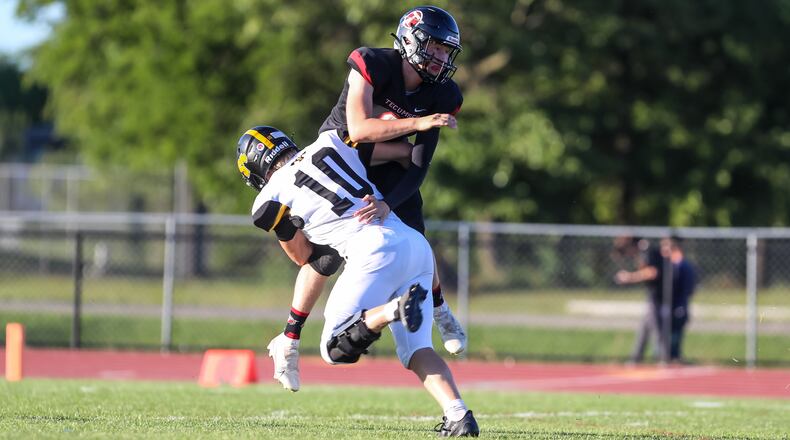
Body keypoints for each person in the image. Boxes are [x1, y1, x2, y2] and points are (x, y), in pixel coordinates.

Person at [266, 5, 468, 394]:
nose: (441, 57)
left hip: (387, 167)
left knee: (415, 239)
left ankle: (440, 309)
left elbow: (419, 164)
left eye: (446, 51)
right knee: (322, 258)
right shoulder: (372, 63)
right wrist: (416, 124)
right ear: (409, 40)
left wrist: (389, 201)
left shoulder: (442, 93)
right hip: (340, 159)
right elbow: (357, 130)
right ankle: (289, 340)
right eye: (435, 47)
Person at [237, 125, 479, 436]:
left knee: (333, 349)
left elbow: (303, 256)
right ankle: (458, 415)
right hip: (415, 245)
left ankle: (393, 309)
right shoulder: (330, 139)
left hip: (371, 252)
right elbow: (384, 151)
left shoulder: (268, 198)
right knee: (416, 349)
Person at [614, 236, 665, 364]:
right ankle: (636, 357)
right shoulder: (643, 251)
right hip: (653, 293)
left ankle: (661, 356)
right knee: (645, 326)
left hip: (659, 294)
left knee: (655, 326)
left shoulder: (645, 250)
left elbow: (652, 272)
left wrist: (630, 277)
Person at [664, 236, 696, 363]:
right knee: (671, 332)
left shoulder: (681, 266)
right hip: (676, 303)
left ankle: (673, 356)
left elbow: (686, 288)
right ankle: (670, 355)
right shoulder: (676, 265)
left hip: (678, 304)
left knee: (675, 332)